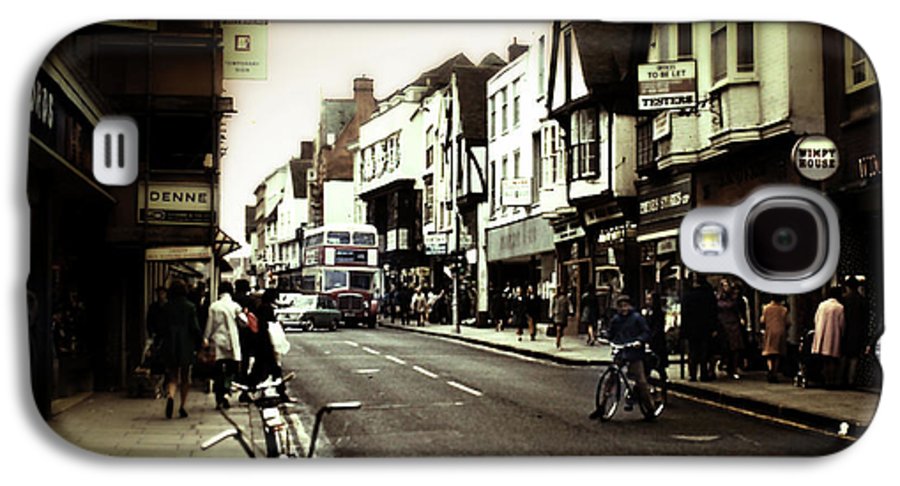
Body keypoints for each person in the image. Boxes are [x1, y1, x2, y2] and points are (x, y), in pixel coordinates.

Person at [158, 279, 202, 419]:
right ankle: (182, 406)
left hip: (170, 344)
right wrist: (200, 342)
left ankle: (171, 396)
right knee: (185, 376)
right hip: (185, 344)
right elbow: (194, 328)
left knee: (172, 375)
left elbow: (161, 328)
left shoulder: (166, 307)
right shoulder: (190, 307)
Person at [603, 294, 653, 415]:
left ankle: (650, 408)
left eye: (625, 306)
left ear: (630, 306)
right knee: (611, 378)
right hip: (621, 351)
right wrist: (605, 337)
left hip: (634, 353)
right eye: (621, 306)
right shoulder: (616, 319)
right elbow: (611, 333)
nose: (623, 309)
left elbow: (646, 332)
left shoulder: (637, 318)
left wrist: (639, 341)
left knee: (641, 381)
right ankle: (602, 404)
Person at [204, 281, 243, 410]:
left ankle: (219, 397)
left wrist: (206, 338)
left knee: (218, 370)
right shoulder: (235, 306)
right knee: (231, 369)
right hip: (232, 341)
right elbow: (245, 322)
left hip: (217, 341)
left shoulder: (214, 307)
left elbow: (210, 325)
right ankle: (226, 392)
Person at [680, 274, 718, 382]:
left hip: (692, 329)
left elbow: (684, 314)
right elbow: (713, 312)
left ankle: (692, 374)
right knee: (704, 352)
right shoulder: (708, 294)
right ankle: (704, 373)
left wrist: (683, 330)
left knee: (693, 352)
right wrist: (713, 328)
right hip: (705, 327)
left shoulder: (688, 295)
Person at [249, 289, 285, 397]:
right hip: (266, 343)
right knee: (273, 368)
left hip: (261, 343)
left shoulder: (261, 307)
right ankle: (281, 392)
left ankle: (248, 390)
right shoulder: (267, 309)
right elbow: (268, 327)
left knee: (260, 369)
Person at [813, 287, 845, 388]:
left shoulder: (822, 305)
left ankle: (826, 380)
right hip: (833, 335)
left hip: (821, 333)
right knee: (832, 359)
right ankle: (831, 381)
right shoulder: (839, 307)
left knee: (825, 359)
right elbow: (842, 323)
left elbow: (816, 319)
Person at [841, 278, 868, 388]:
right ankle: (851, 381)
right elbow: (865, 319)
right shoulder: (862, 300)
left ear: (848, 287)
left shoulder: (844, 300)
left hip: (845, 331)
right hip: (858, 332)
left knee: (844, 356)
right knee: (854, 358)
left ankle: (842, 379)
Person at [716, 278, 746, 380]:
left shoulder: (735, 298)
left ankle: (734, 367)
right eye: (724, 285)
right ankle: (725, 364)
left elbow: (739, 310)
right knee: (724, 347)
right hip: (722, 324)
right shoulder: (718, 298)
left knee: (735, 347)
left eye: (727, 285)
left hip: (733, 323)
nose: (726, 287)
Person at [760, 295, 789, 383]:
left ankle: (770, 369)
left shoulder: (766, 308)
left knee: (769, 352)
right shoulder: (783, 309)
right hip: (780, 332)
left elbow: (762, 320)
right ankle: (774, 372)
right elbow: (787, 322)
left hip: (770, 331)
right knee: (777, 353)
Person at [643, 291, 668, 383]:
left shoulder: (659, 313)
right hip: (649, 342)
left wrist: (650, 338)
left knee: (658, 365)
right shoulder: (648, 312)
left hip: (657, 343)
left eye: (650, 299)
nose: (647, 301)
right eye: (647, 299)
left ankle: (663, 382)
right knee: (647, 365)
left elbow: (657, 328)